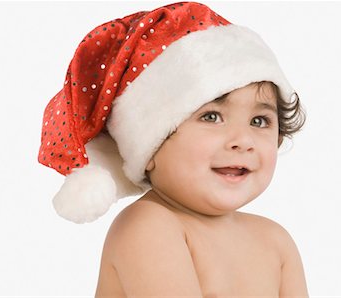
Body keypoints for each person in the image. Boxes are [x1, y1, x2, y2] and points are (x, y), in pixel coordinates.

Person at [38, 2, 308, 296]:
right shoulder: (149, 227)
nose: (243, 140)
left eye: (259, 120)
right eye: (211, 116)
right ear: (150, 147)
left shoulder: (275, 242)